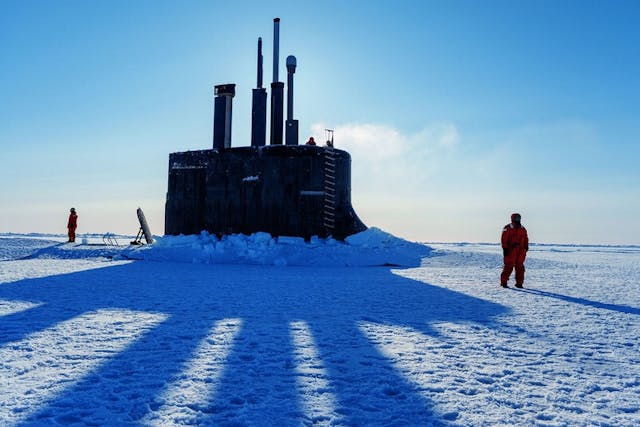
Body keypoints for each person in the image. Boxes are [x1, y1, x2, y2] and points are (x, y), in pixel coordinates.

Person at [500, 212, 529, 288]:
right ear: (512, 219)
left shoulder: (523, 229)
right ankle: (504, 282)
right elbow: (504, 239)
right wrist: (505, 248)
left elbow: (526, 238)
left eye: (519, 218)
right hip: (510, 250)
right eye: (516, 218)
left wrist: (526, 247)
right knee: (508, 266)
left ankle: (519, 283)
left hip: (520, 251)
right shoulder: (508, 228)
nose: (518, 219)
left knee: (520, 267)